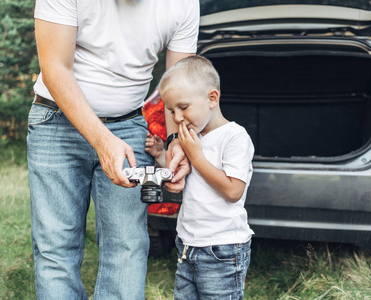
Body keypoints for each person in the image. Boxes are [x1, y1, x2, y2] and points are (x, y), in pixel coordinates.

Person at [27, 0, 199, 299]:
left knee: (128, 244)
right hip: (55, 121)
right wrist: (102, 140)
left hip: (129, 123)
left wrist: (175, 143)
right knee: (56, 247)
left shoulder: (183, 3)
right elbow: (55, 67)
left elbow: (179, 84)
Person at [145, 55, 255, 299]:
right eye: (172, 111)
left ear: (212, 98)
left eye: (183, 108)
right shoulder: (191, 138)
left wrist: (196, 157)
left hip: (222, 248)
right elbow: (183, 175)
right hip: (187, 244)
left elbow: (233, 191)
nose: (177, 118)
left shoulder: (234, 137)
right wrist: (162, 155)